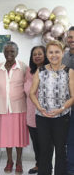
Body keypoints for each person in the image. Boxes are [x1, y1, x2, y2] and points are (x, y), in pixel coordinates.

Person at [30, 40, 74, 175]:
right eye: (51, 52)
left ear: (62, 53)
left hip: (62, 117)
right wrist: (40, 107)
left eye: (57, 52)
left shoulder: (69, 71)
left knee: (60, 149)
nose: (54, 55)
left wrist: (61, 109)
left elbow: (73, 96)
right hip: (42, 117)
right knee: (45, 150)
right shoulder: (40, 70)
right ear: (47, 54)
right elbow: (31, 93)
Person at [0, 41, 29, 174]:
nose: (9, 54)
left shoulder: (23, 67)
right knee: (7, 137)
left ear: (17, 53)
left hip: (19, 108)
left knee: (19, 138)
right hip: (4, 108)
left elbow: (29, 85)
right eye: (7, 51)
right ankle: (9, 161)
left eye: (12, 51)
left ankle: (19, 161)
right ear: (3, 53)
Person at [24, 46, 50, 174]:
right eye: (35, 54)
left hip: (45, 113)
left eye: (40, 54)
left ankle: (46, 167)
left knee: (46, 143)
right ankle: (39, 164)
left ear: (45, 55)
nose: (37, 56)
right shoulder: (29, 71)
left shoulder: (50, 70)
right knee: (36, 143)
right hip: (31, 113)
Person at [62, 26, 74, 175]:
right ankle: (69, 168)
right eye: (70, 37)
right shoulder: (63, 56)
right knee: (68, 139)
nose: (72, 40)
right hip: (65, 105)